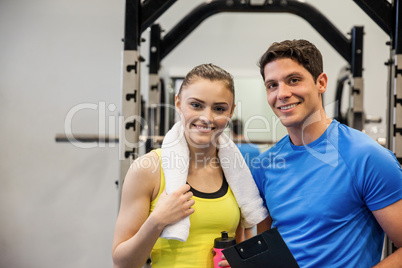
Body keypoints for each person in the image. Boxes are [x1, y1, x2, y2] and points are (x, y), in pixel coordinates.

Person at [253, 39, 402, 267]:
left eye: (293, 80)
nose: (282, 94)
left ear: (321, 82)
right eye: (272, 85)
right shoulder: (265, 165)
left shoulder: (367, 158)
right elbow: (264, 249)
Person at [112, 63, 264, 268]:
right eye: (196, 105)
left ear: (231, 111)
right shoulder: (148, 169)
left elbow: (242, 248)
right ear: (178, 103)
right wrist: (157, 220)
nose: (207, 117)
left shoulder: (236, 175)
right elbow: (122, 263)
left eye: (219, 108)